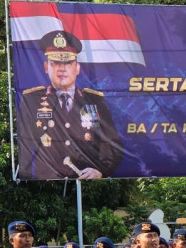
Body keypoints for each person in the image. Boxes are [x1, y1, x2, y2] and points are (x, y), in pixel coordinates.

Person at [18, 30, 122, 180]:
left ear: (77, 68)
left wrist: (101, 171)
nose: (62, 68)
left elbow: (112, 144)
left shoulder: (94, 100)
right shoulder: (32, 100)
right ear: (46, 67)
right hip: (48, 186)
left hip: (85, 184)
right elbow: (25, 145)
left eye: (68, 62)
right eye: (55, 62)